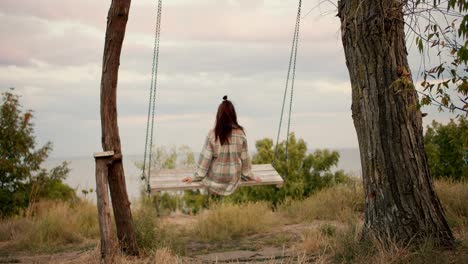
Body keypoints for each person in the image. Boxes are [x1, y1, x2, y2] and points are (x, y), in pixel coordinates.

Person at [182, 95, 261, 196]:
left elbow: (204, 163)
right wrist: (251, 176)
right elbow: (245, 163)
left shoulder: (213, 135)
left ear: (218, 116)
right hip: (233, 179)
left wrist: (194, 177)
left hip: (216, 180)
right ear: (233, 115)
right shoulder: (241, 134)